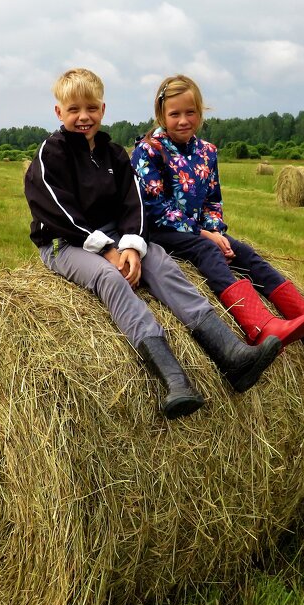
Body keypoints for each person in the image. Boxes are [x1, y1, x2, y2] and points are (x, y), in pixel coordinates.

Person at [24, 68, 282, 419]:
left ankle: (231, 355)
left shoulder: (113, 153)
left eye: (90, 108)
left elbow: (135, 203)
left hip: (114, 234)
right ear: (59, 113)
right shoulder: (50, 154)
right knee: (108, 278)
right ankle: (175, 381)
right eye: (73, 110)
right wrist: (107, 250)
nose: (83, 117)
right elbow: (57, 211)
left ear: (102, 108)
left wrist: (131, 245)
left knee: (160, 262)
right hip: (65, 242)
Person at [130, 74, 304, 355]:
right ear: (161, 115)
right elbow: (154, 205)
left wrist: (216, 230)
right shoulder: (149, 151)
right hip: (161, 230)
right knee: (208, 251)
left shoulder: (206, 151)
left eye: (190, 112)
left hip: (201, 230)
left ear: (200, 112)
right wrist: (204, 234)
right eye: (175, 114)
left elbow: (212, 200)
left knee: (246, 254)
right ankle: (260, 326)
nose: (183, 120)